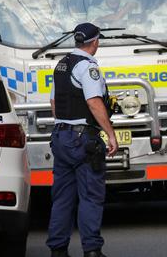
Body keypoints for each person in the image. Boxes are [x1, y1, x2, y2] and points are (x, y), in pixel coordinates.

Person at [47, 22, 119, 257]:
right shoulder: (88, 67)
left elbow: (55, 104)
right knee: (90, 195)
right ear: (95, 42)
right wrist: (110, 133)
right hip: (82, 139)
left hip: (61, 136)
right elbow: (93, 102)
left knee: (62, 197)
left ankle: (58, 250)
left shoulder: (62, 64)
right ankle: (92, 251)